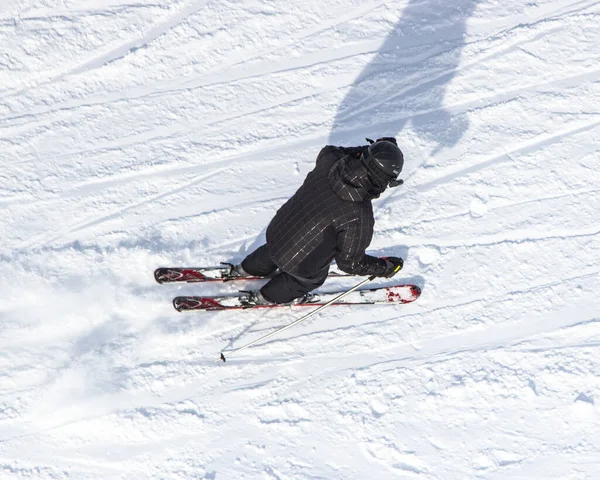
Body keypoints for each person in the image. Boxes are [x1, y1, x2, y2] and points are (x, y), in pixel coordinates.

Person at [229, 137, 406, 305]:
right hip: (300, 263)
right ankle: (264, 297)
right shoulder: (359, 215)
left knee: (276, 248)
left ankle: (244, 269)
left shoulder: (331, 161)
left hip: (278, 231)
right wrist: (384, 267)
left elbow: (329, 150)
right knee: (308, 279)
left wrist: (371, 150)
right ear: (383, 180)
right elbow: (350, 263)